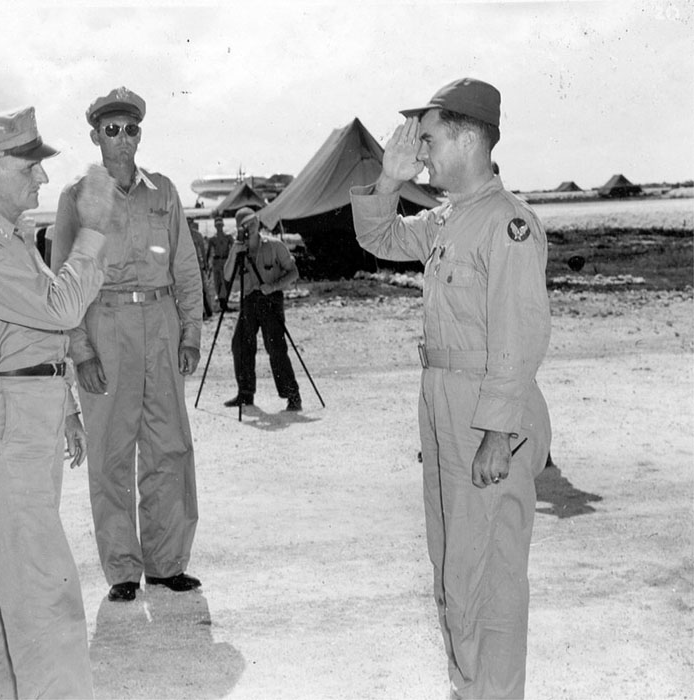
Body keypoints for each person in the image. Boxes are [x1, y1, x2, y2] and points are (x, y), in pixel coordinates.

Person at [350, 78, 551, 699]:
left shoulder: (507, 225)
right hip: (443, 405)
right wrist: (388, 181)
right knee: (454, 565)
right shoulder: (446, 220)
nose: (423, 152)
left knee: (487, 576)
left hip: (486, 410)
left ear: (468, 137)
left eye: (430, 138)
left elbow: (518, 339)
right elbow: (378, 237)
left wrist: (496, 432)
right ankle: (470, 689)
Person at [0, 106, 112, 699]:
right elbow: (61, 308)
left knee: (3, 592)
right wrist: (92, 229)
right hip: (7, 422)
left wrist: (63, 406)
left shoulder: (7, 240)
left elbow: (34, 331)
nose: (40, 180)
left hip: (21, 415)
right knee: (43, 595)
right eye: (28, 167)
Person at [51, 86, 203, 603]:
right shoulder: (76, 197)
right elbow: (61, 279)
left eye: (130, 129)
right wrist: (82, 351)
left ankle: (166, 564)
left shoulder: (163, 192)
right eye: (111, 130)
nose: (122, 139)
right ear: (95, 136)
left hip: (160, 324)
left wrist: (190, 332)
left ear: (140, 134)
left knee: (169, 448)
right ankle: (121, 569)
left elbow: (185, 266)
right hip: (105, 325)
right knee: (112, 453)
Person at [222, 207, 302, 412]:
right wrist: (234, 251)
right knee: (240, 345)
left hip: (270, 300)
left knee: (275, 348)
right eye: (246, 224)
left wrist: (273, 287)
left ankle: (292, 396)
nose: (252, 225)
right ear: (241, 228)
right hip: (249, 300)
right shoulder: (239, 249)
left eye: (254, 221)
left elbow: (293, 273)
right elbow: (228, 275)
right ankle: (245, 394)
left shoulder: (275, 246)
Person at [205, 217, 234, 311]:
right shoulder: (213, 239)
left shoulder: (228, 237)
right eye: (217, 225)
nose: (219, 227)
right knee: (217, 281)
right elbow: (208, 252)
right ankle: (221, 302)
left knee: (225, 281)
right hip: (216, 261)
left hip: (225, 260)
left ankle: (224, 302)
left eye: (220, 225)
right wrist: (206, 264)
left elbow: (233, 248)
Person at [188, 218, 214, 319]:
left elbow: (202, 250)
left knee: (201, 288)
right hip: (187, 265)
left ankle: (207, 310)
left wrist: (205, 264)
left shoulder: (197, 235)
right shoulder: (182, 235)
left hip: (196, 264)